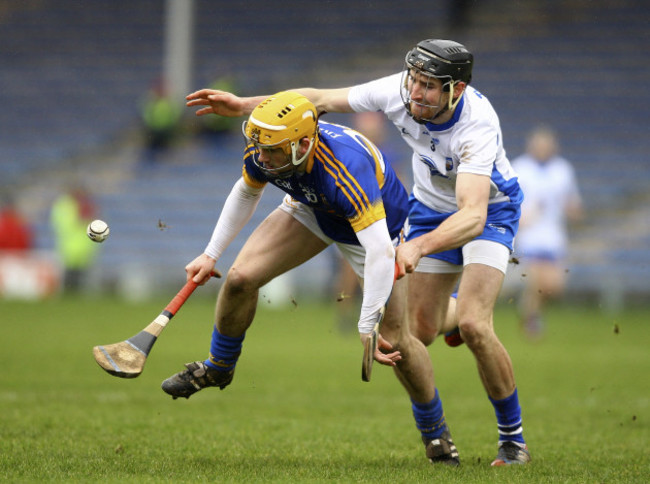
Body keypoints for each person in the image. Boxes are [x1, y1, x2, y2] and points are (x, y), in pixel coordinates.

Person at [185, 38, 530, 466]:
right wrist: (243, 106)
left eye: (428, 86)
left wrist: (417, 247)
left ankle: (512, 441)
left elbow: (472, 216)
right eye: (414, 80)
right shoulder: (399, 91)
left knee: (478, 326)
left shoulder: (476, 124)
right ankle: (453, 314)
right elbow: (314, 100)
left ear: (455, 90)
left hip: (488, 211)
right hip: (426, 209)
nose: (415, 92)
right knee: (418, 331)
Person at [162, 92, 461, 465]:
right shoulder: (267, 143)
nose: (263, 158)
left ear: (304, 144)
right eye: (261, 149)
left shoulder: (344, 169)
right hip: (314, 207)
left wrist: (367, 322)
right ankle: (219, 368)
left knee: (397, 339)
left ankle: (436, 435)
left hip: (377, 231)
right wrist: (210, 254)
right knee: (239, 279)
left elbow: (381, 252)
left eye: (273, 152)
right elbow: (246, 191)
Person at [511, 125, 583, 338]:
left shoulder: (563, 170)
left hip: (554, 236)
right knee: (535, 281)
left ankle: (530, 311)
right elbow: (509, 201)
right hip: (530, 236)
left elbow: (572, 202)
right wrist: (520, 218)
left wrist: (572, 210)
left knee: (554, 286)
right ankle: (532, 322)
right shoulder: (519, 168)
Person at [50, 184, 99, 293]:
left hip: (79, 246)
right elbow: (73, 222)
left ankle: (72, 294)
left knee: (77, 276)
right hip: (72, 246)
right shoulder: (68, 205)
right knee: (71, 275)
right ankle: (69, 293)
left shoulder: (68, 204)